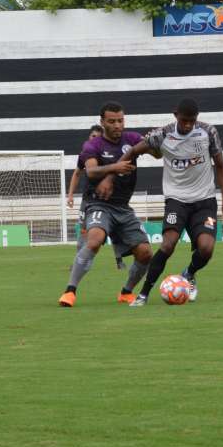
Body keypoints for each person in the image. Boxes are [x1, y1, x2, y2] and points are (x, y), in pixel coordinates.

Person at [120, 97, 223, 307]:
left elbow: (220, 166)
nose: (188, 125)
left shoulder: (208, 132)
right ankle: (144, 294)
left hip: (204, 200)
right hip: (176, 200)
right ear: (175, 116)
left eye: (192, 120)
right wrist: (114, 173)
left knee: (207, 248)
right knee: (168, 244)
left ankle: (188, 273)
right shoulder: (162, 134)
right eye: (184, 120)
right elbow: (134, 151)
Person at [58, 102, 152, 307]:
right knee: (95, 240)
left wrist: (155, 141)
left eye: (120, 120)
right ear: (102, 122)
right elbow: (90, 171)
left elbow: (156, 152)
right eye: (112, 121)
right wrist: (115, 167)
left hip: (123, 207)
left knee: (145, 253)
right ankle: (70, 291)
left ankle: (126, 292)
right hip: (98, 204)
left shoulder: (133, 139)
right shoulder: (93, 146)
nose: (117, 125)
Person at [67, 124, 124, 268]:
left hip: (108, 198)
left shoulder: (109, 155)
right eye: (93, 136)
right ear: (89, 137)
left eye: (98, 137)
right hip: (88, 200)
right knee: (83, 231)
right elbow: (76, 173)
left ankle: (119, 260)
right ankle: (78, 262)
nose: (95, 139)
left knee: (114, 230)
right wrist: (70, 195)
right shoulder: (86, 155)